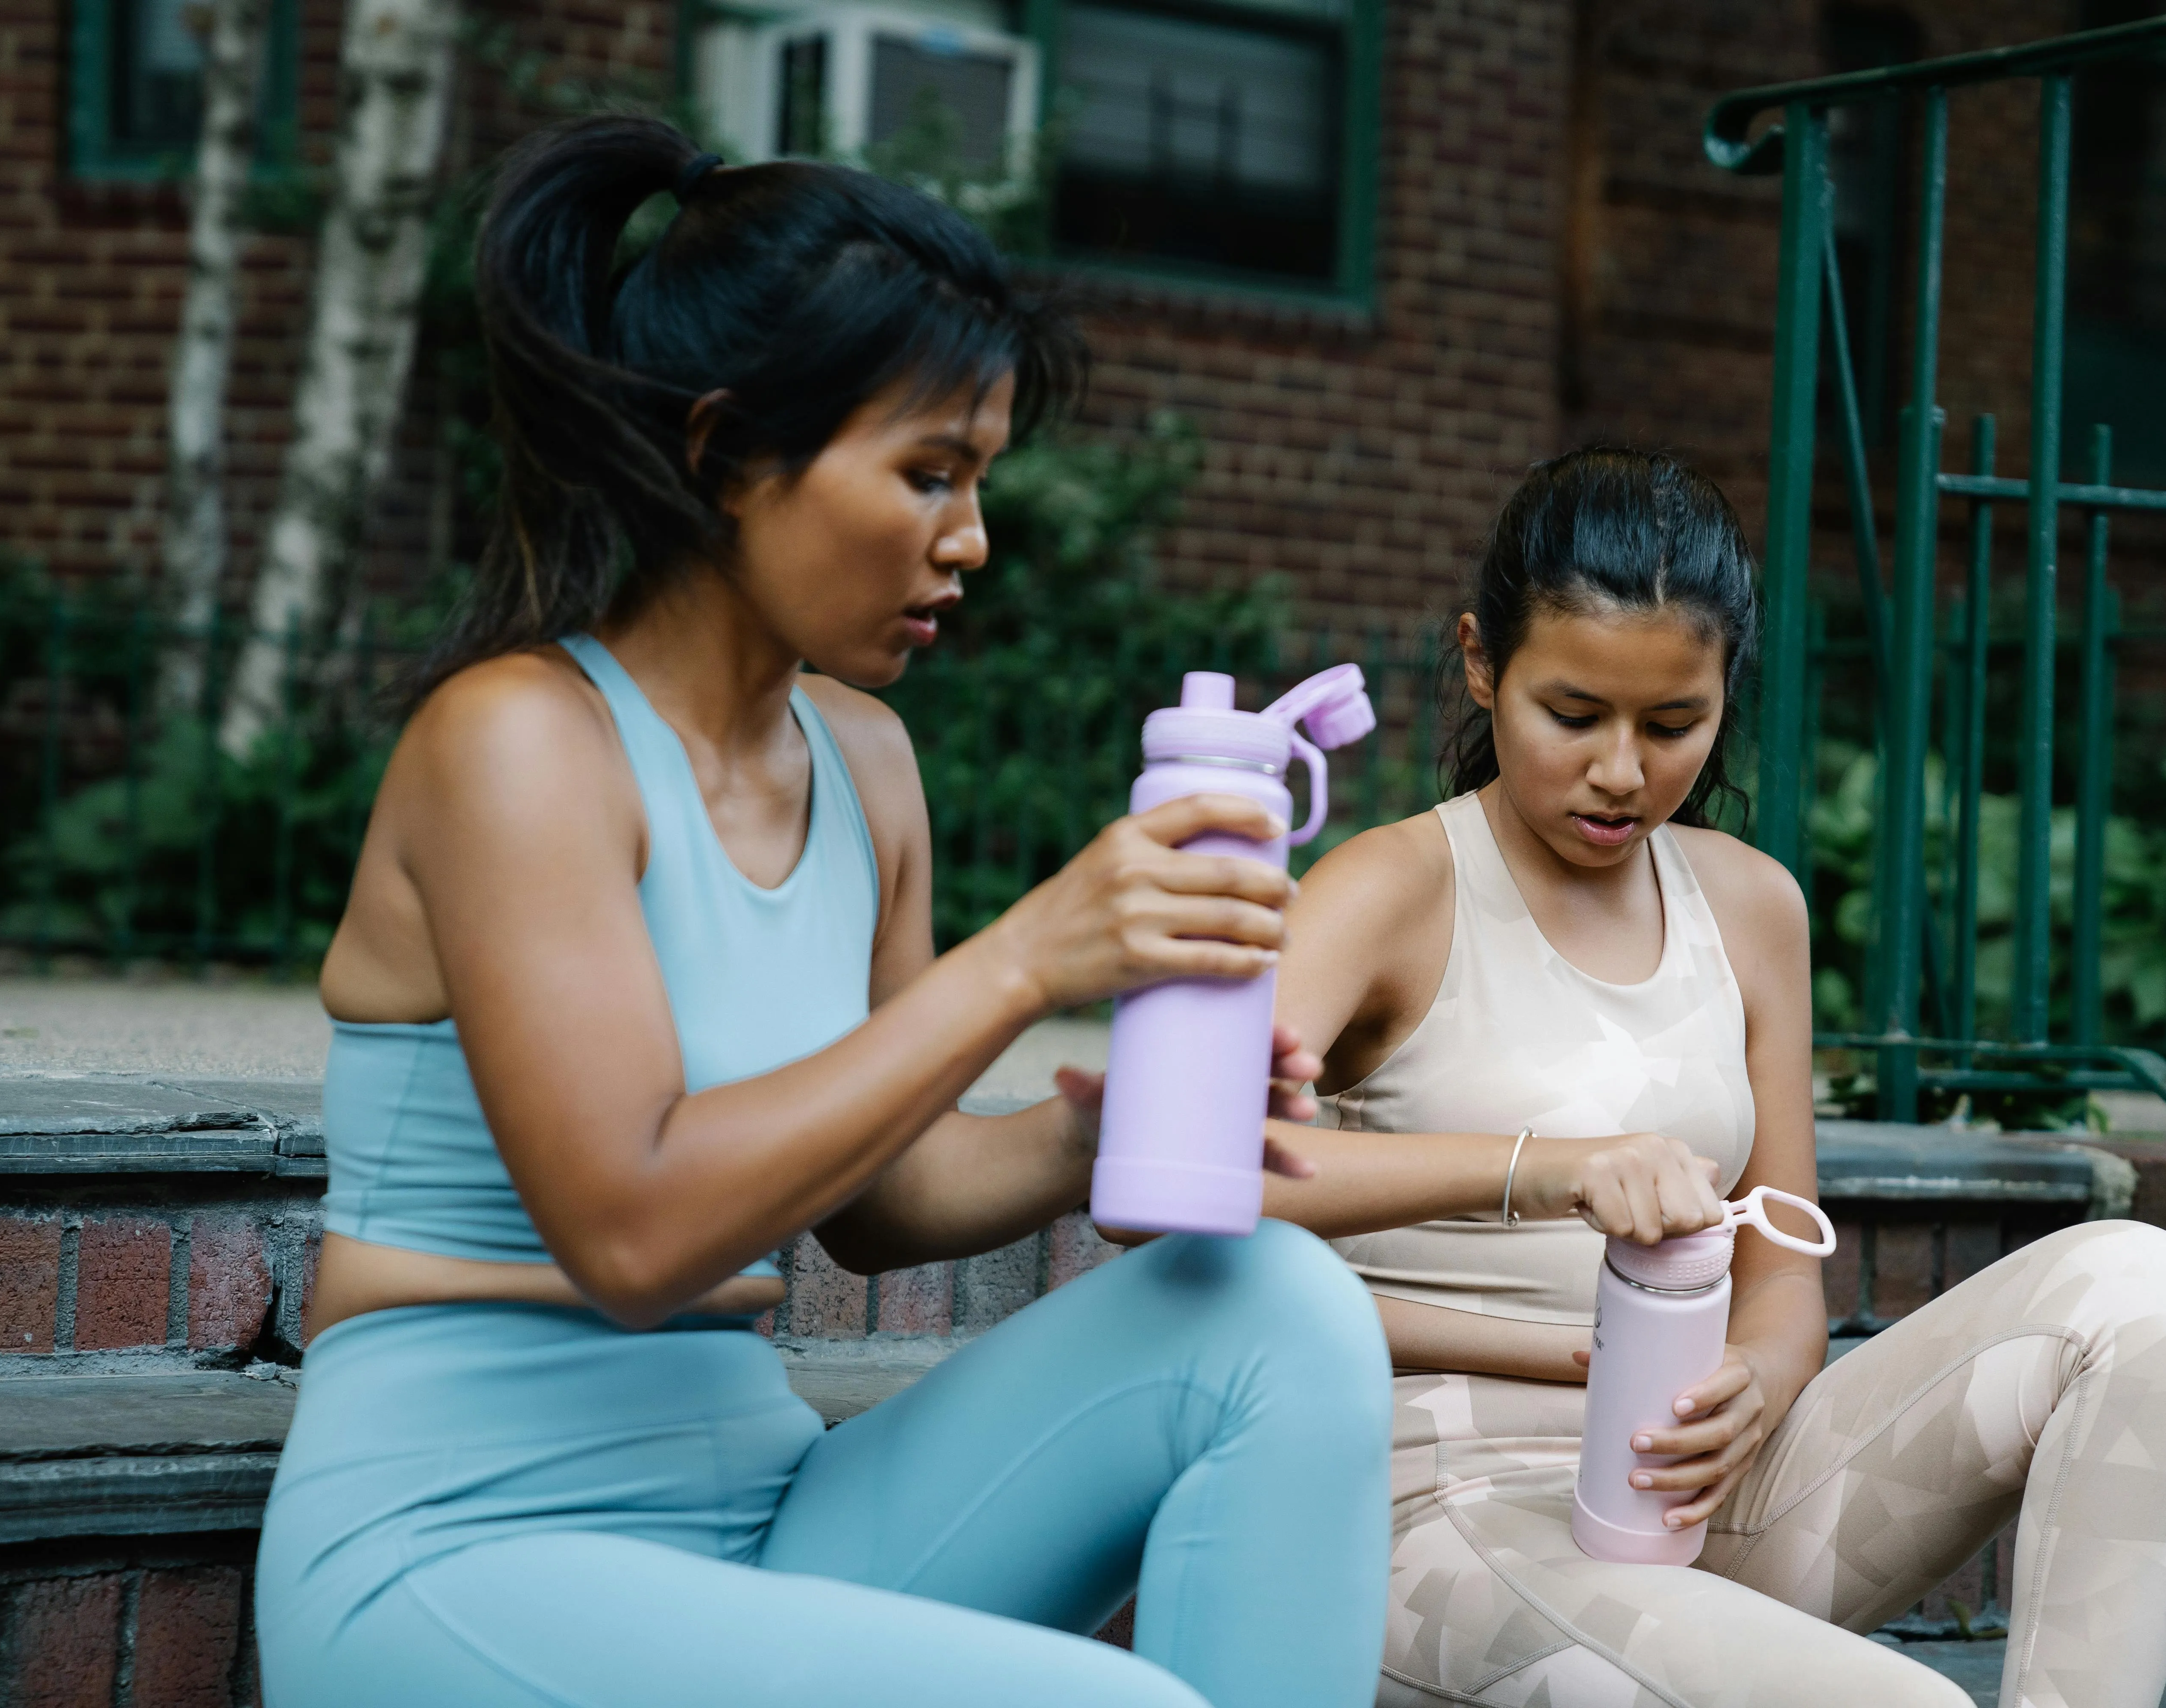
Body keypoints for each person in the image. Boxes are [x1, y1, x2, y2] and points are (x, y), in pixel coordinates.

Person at [254, 115, 1391, 1708]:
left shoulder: (863, 760)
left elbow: (883, 1192)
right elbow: (635, 1232)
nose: (971, 539)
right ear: (725, 453)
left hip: (766, 1515)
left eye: (981, 478)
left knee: (1280, 1308)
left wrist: (1096, 1128)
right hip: (459, 1557)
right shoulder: (518, 745)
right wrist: (1022, 963)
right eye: (929, 473)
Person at [1259, 446, 2166, 1708]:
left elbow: (1785, 1284)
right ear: (1479, 663)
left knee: (2156, 1291)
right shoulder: (1385, 891)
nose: (1624, 771)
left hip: (1697, 1496)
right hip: (1435, 1515)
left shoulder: (1751, 905)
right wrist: (1546, 1189)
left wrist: (1761, 1385)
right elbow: (1203, 1186)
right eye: (1574, 716)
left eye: (1674, 725)